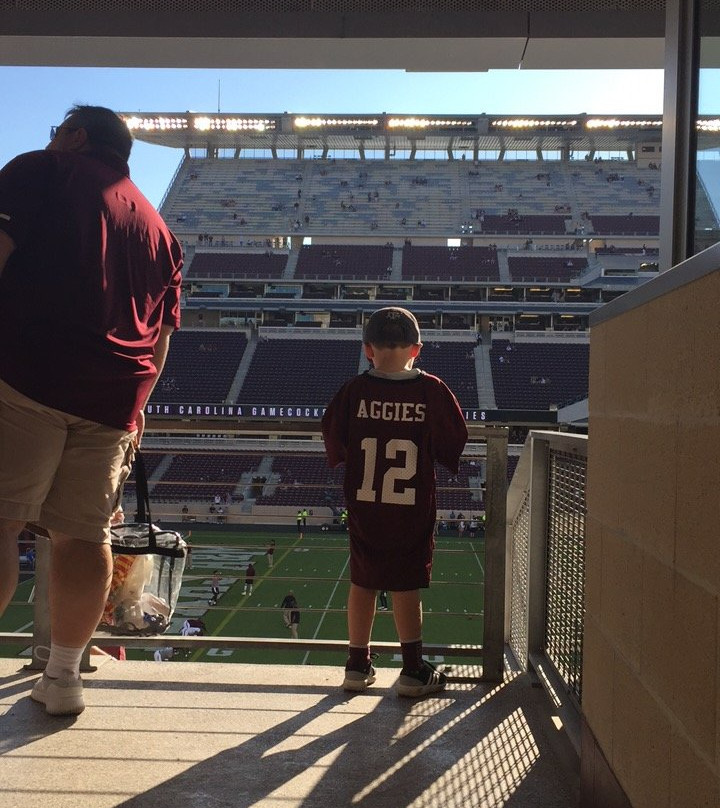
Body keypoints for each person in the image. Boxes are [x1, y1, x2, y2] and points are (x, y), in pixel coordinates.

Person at [0, 105, 183, 716]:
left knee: (1, 520)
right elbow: (161, 337)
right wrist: (138, 405)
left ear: (75, 137)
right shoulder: (160, 228)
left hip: (26, 373)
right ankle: (63, 677)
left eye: (57, 131)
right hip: (113, 399)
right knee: (84, 537)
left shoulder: (41, 170)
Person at [322, 307, 468, 698]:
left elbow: (334, 437)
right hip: (411, 506)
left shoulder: (354, 391)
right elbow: (454, 439)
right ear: (416, 349)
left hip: (366, 504)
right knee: (406, 585)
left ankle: (357, 664)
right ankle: (413, 669)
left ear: (367, 349)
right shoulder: (432, 390)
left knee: (362, 582)